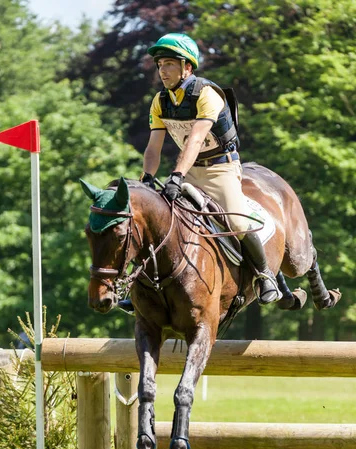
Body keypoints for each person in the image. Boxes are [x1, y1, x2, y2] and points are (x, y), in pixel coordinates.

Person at [119, 32, 281, 314]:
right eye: (160, 65)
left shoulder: (207, 94)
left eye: (169, 63)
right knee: (156, 221)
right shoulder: (160, 101)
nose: (163, 70)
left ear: (188, 67)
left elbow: (195, 140)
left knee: (237, 222)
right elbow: (153, 147)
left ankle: (265, 276)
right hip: (189, 170)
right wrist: (147, 179)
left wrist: (177, 177)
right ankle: (140, 286)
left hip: (222, 169)